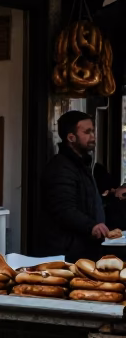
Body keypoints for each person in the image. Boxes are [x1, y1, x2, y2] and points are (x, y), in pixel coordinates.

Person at [39, 111, 110, 263]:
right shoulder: (61, 168)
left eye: (93, 131)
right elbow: (63, 209)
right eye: (87, 132)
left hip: (82, 249)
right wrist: (91, 226)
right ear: (71, 138)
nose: (93, 136)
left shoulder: (80, 165)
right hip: (67, 252)